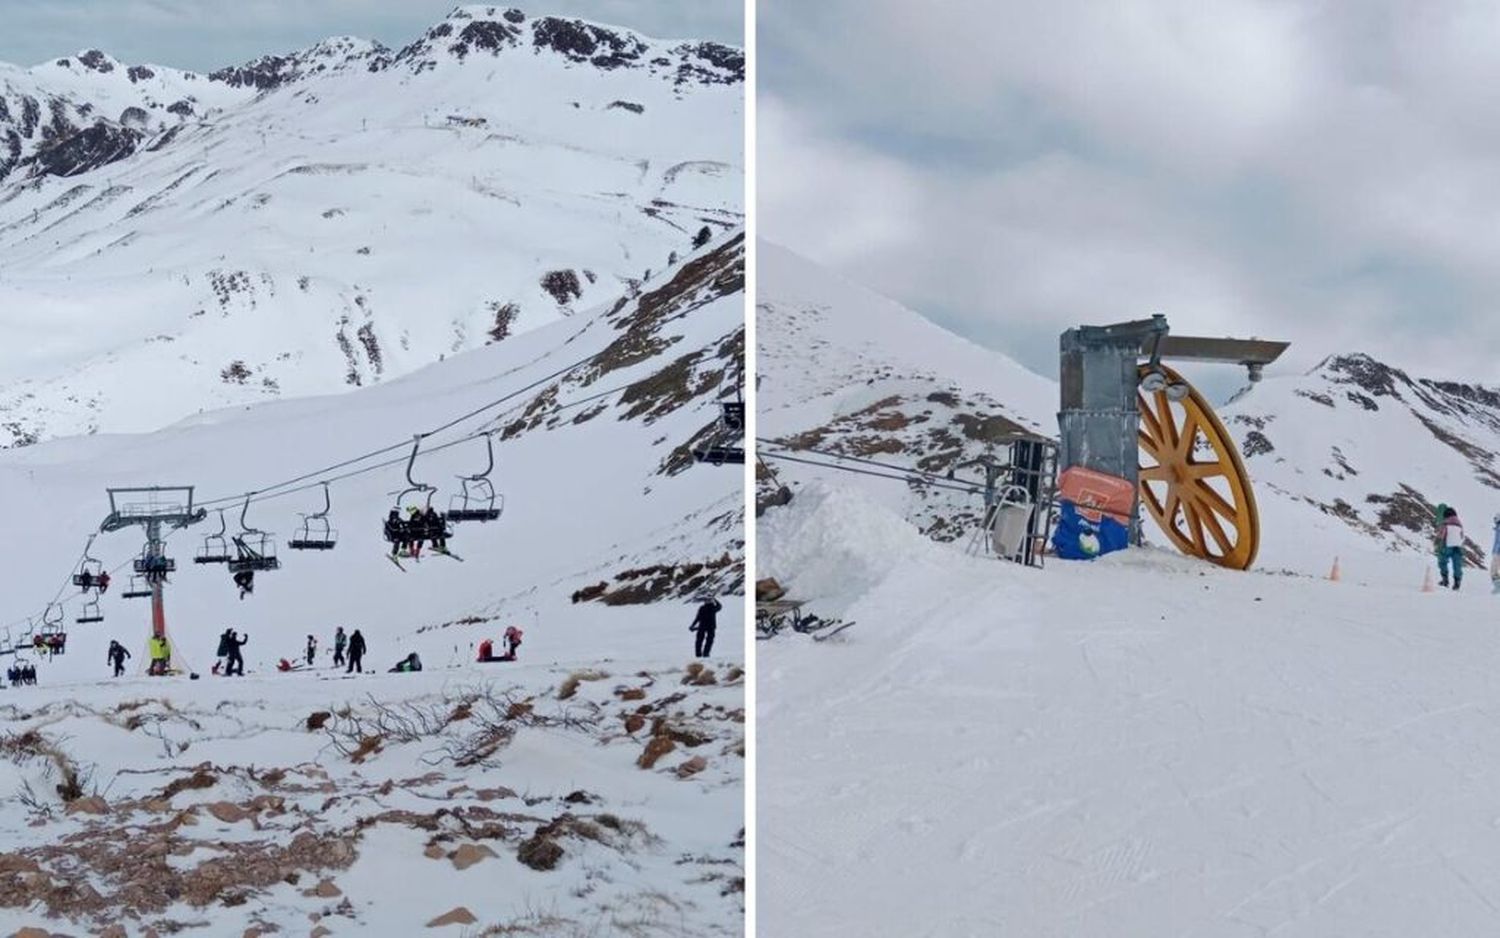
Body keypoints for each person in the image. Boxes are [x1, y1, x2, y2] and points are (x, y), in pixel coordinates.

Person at [1438, 506, 1465, 590]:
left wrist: (1439, 544)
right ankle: (1457, 582)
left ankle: (1445, 580)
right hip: (1458, 546)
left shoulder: (1445, 523)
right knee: (1457, 564)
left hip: (1447, 545)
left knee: (1443, 561)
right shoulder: (1459, 524)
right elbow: (1462, 536)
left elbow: (1441, 535)